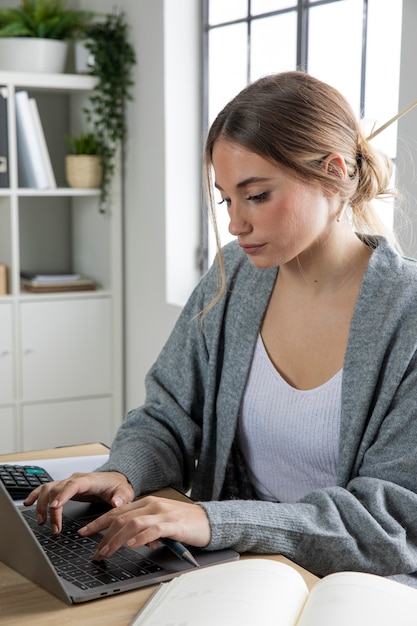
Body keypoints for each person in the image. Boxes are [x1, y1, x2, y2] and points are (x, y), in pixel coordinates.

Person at [25, 71, 417, 586]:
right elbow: (167, 413)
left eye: (256, 195)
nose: (235, 224)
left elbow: (391, 523)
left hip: (358, 590)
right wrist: (122, 474)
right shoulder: (234, 276)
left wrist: (212, 519)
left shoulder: (406, 314)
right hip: (236, 573)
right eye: (226, 198)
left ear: (333, 171)